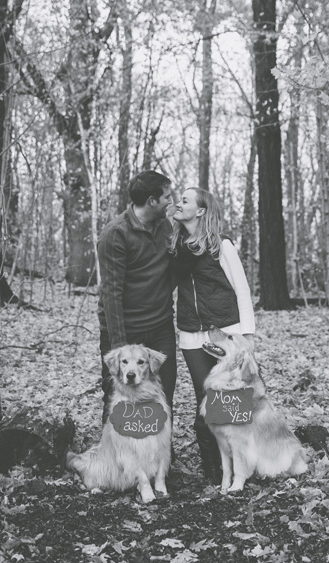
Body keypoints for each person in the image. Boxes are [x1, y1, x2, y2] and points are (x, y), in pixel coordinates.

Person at [168, 187, 255, 484]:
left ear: (201, 211)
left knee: (233, 401)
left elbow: (242, 289)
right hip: (192, 335)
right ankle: (213, 473)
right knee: (205, 401)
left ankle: (241, 468)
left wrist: (247, 335)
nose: (178, 204)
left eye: (185, 201)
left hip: (226, 333)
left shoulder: (222, 245)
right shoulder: (176, 246)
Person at [97, 170, 177, 423]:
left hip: (160, 325)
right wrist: (119, 346)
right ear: (152, 201)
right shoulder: (115, 234)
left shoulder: (165, 226)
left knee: (163, 392)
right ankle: (115, 452)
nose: (170, 202)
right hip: (124, 328)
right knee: (118, 393)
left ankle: (162, 455)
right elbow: (111, 293)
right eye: (166, 197)